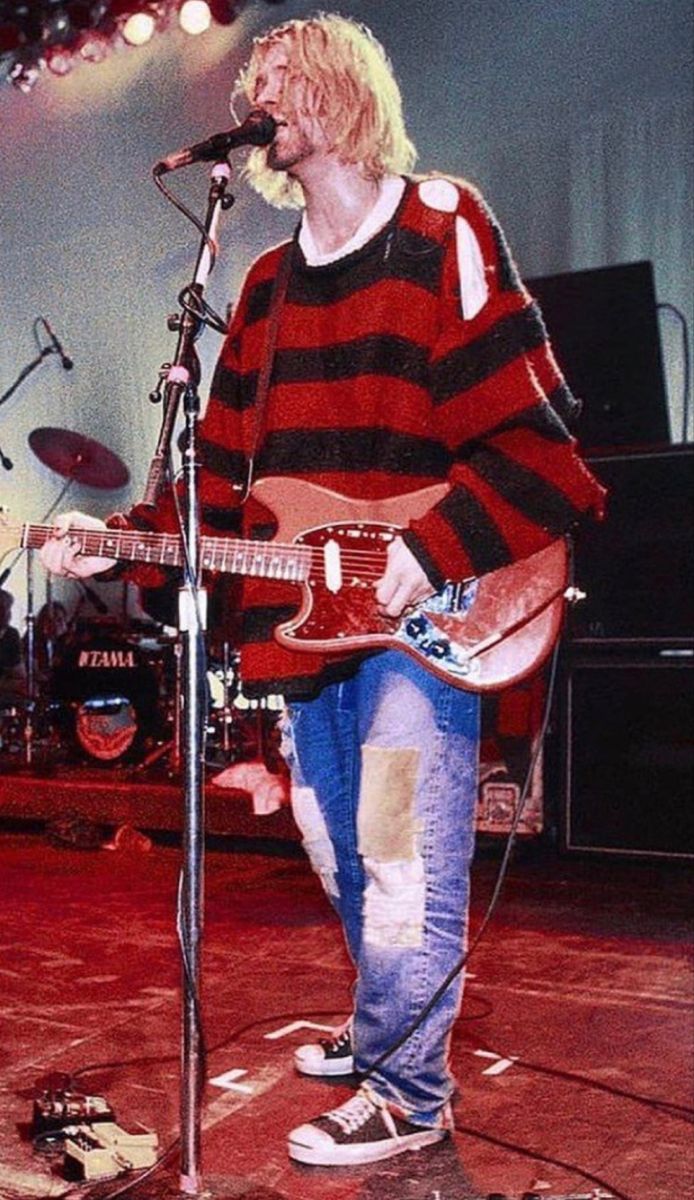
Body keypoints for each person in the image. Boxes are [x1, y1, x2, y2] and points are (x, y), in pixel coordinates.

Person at [40, 13, 606, 1168]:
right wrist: (127, 542)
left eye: (280, 77)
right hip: (310, 638)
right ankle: (383, 1023)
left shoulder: (441, 224)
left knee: (399, 853)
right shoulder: (260, 287)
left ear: (343, 92)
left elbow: (538, 448)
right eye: (251, 83)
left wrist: (427, 549)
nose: (258, 97)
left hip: (423, 625)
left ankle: (408, 1092)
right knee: (339, 848)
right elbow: (228, 495)